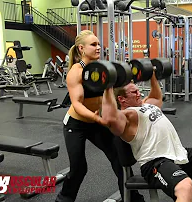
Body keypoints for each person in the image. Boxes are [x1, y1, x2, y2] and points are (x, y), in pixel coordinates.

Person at [96, 72, 192, 202]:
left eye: (138, 90)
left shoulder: (146, 105)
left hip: (176, 154)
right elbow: (110, 118)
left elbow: (157, 96)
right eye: (134, 92)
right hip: (155, 162)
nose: (139, 93)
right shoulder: (126, 116)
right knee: (185, 186)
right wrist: (108, 86)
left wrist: (151, 74)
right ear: (122, 99)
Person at [55, 30, 145, 202]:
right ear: (81, 48)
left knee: (120, 160)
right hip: (76, 124)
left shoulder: (102, 68)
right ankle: (63, 200)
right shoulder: (76, 71)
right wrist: (97, 118)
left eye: (98, 44)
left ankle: (133, 198)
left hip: (97, 122)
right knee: (79, 168)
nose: (98, 47)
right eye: (93, 44)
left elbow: (117, 89)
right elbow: (77, 104)